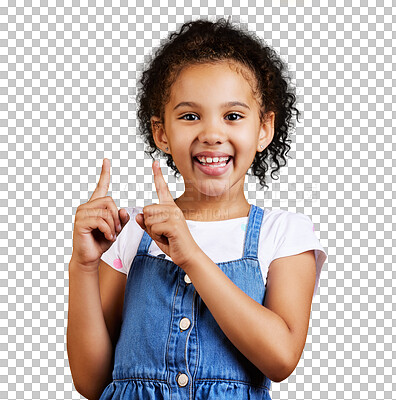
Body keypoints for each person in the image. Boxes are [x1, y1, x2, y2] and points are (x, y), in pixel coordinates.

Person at [67, 18, 327, 400]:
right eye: (190, 116)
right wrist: (83, 266)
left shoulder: (284, 233)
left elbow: (281, 357)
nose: (211, 133)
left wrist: (191, 255)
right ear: (161, 132)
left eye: (233, 116)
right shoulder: (132, 231)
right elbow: (92, 382)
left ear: (264, 129)